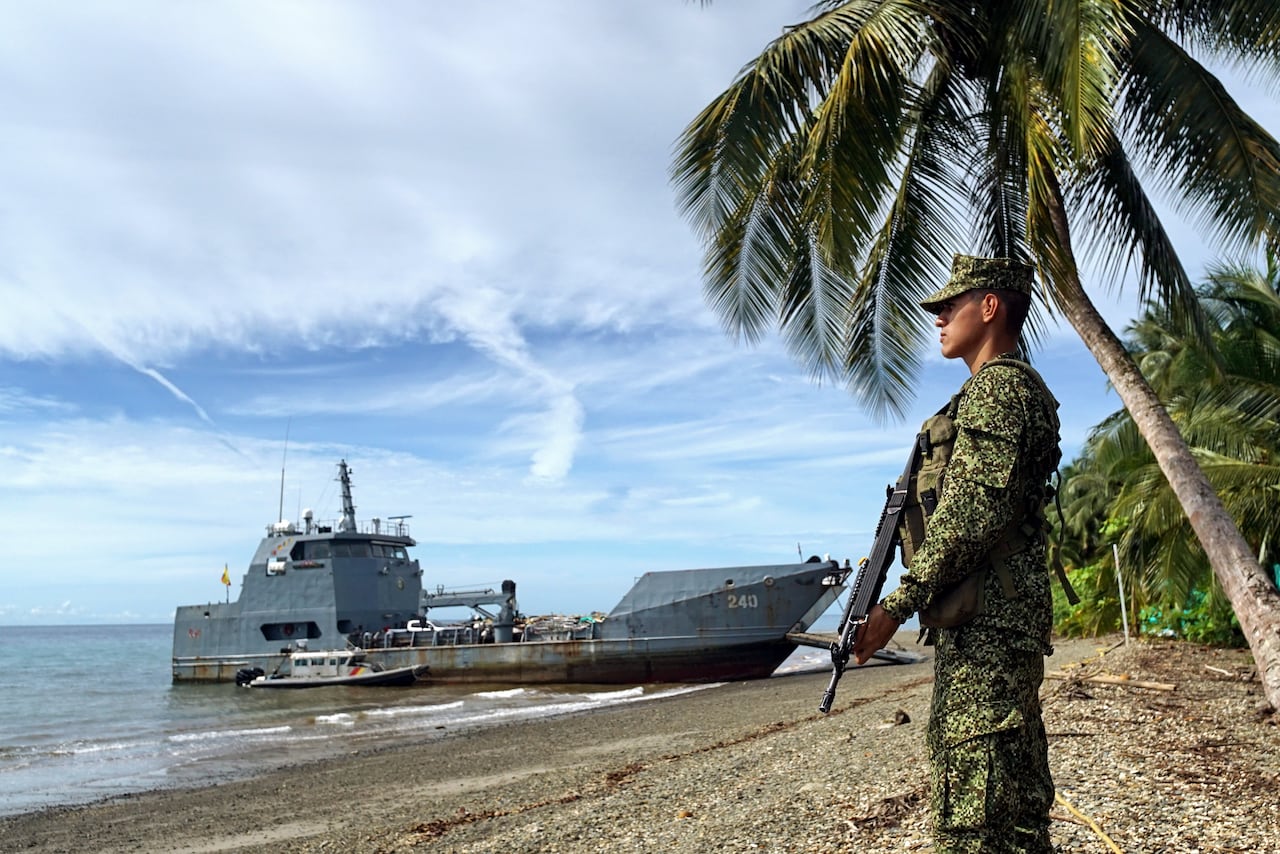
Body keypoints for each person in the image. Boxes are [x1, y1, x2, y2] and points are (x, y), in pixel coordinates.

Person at [853, 254, 1061, 853]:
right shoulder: (995, 392)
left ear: (989, 307)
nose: (938, 318)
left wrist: (896, 605)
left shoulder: (999, 391)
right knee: (1013, 811)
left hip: (989, 627)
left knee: (972, 819)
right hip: (992, 622)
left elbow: (972, 515)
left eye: (950, 306)